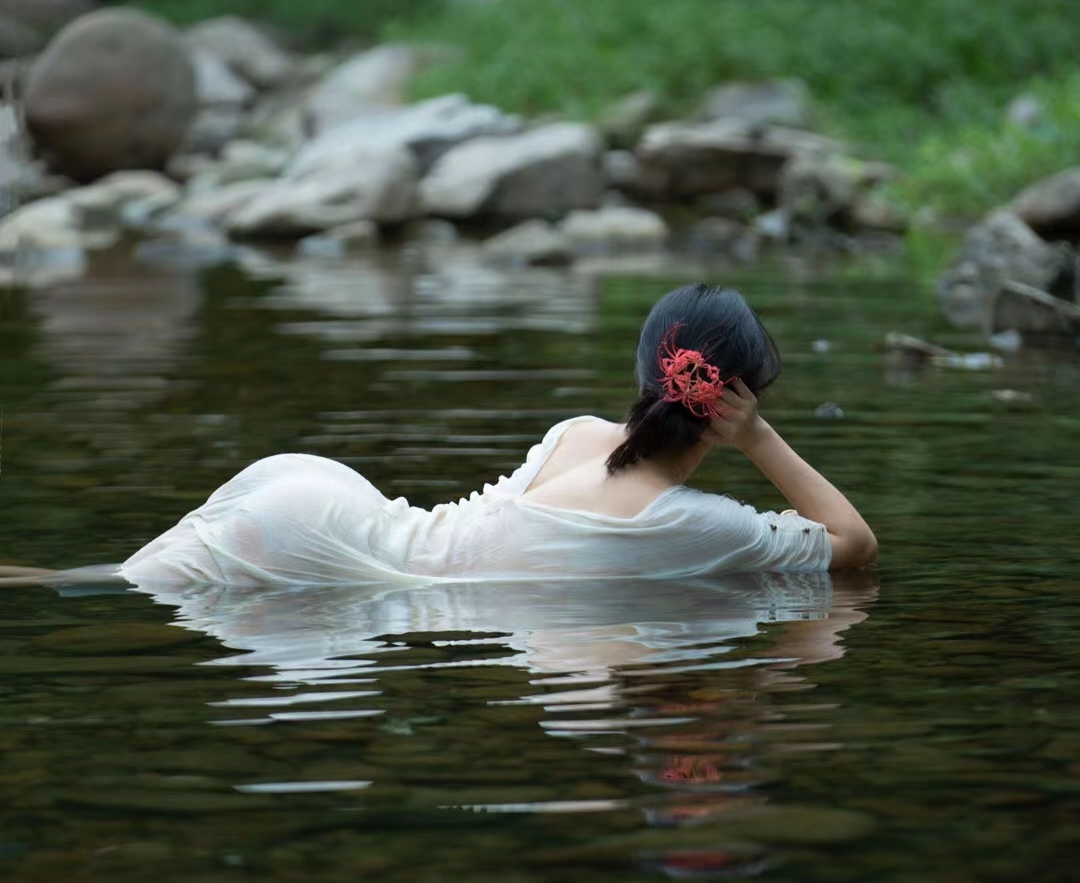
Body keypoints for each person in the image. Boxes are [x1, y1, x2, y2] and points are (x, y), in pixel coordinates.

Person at [2, 284, 876, 592]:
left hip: (324, 503)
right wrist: (760, 442)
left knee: (83, 581)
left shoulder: (575, 433)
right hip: (327, 571)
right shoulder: (700, 526)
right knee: (84, 589)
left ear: (648, 368)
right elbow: (854, 545)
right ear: (740, 397)